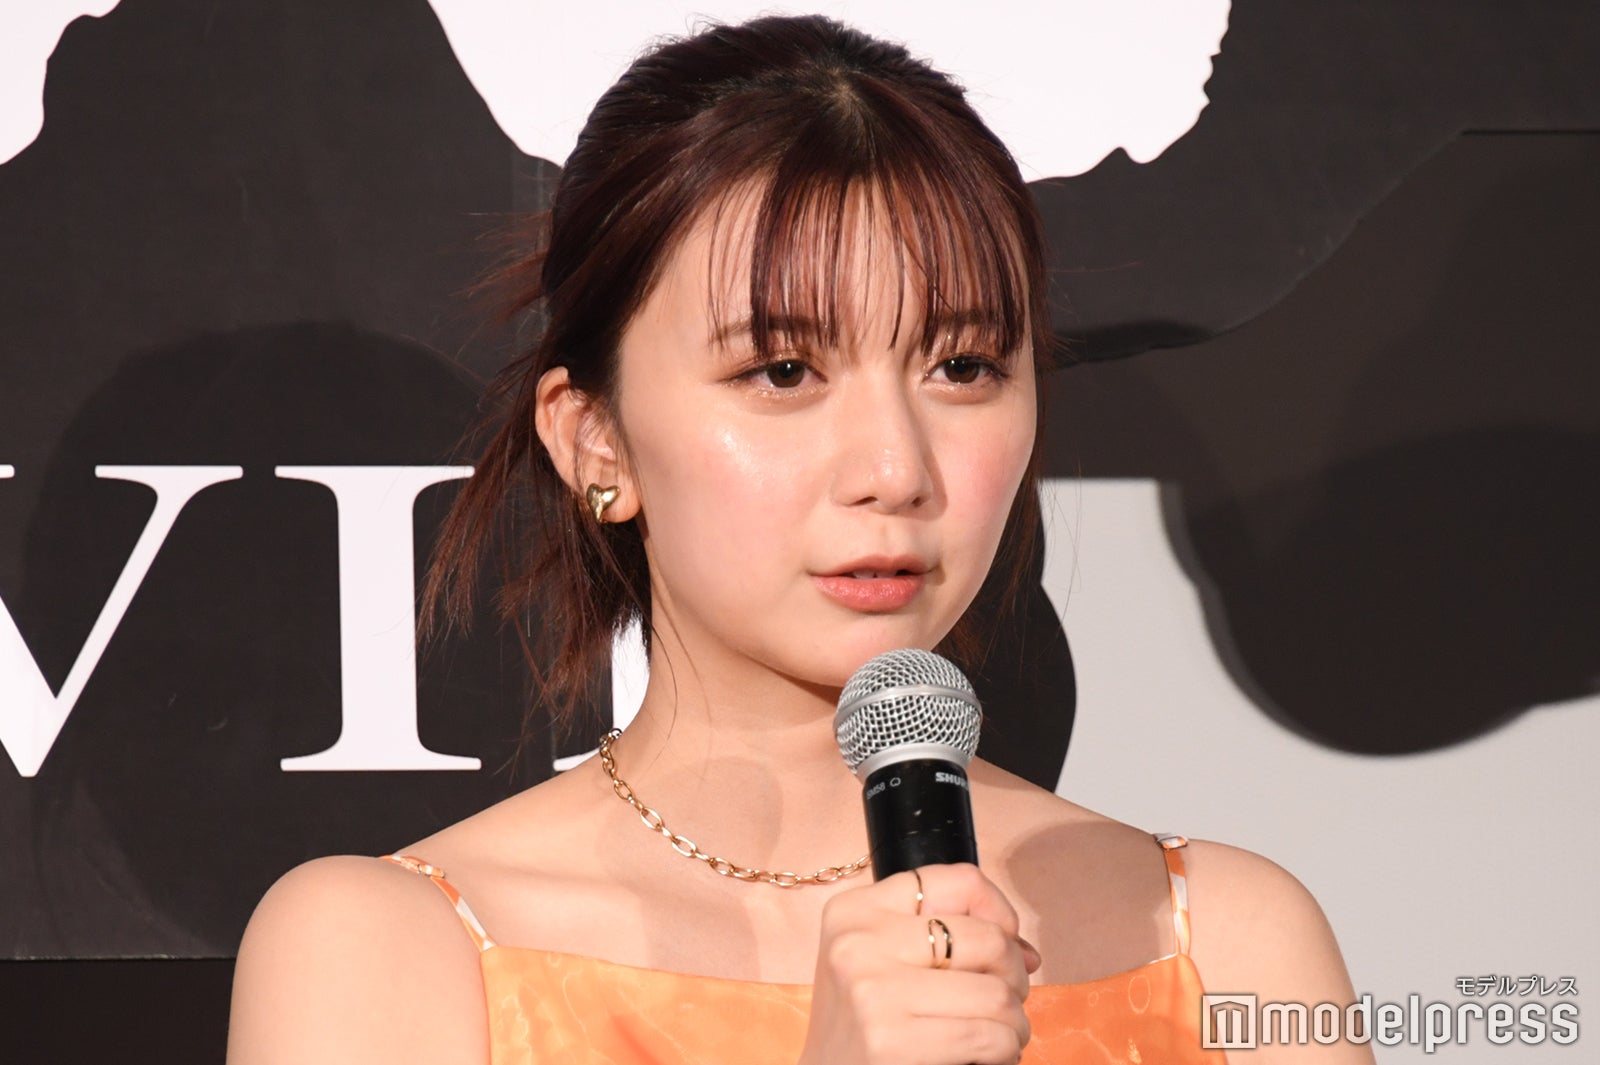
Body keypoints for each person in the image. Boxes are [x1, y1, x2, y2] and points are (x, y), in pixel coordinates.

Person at [228, 14, 1371, 1065]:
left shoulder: (1218, 936)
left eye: (962, 366)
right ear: (595, 441)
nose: (895, 470)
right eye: (782, 372)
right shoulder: (385, 949)